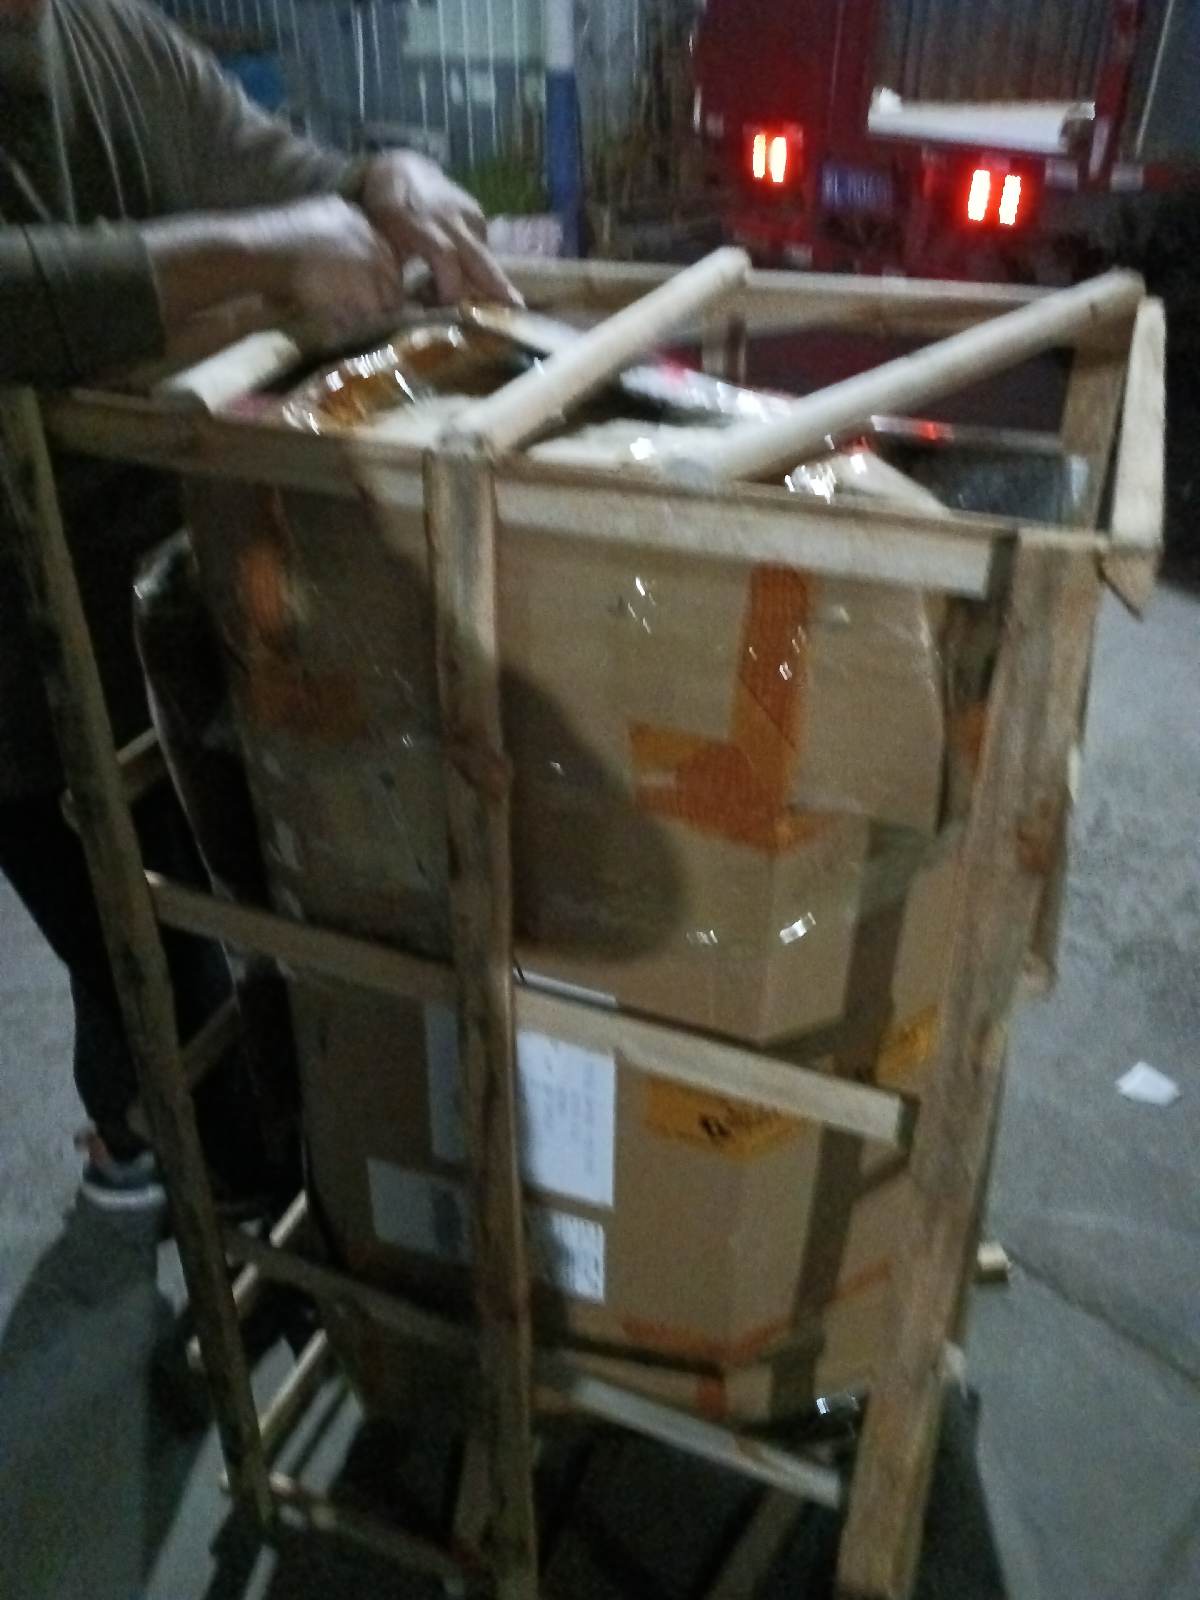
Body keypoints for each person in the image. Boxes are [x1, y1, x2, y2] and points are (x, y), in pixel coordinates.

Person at [0, 0, 520, 1208]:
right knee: (145, 958)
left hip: (166, 593)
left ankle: (171, 1134)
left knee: (228, 909)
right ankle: (198, 1180)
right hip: (18, 675)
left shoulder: (106, 34)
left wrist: (381, 177)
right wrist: (248, 257)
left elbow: (277, 170)